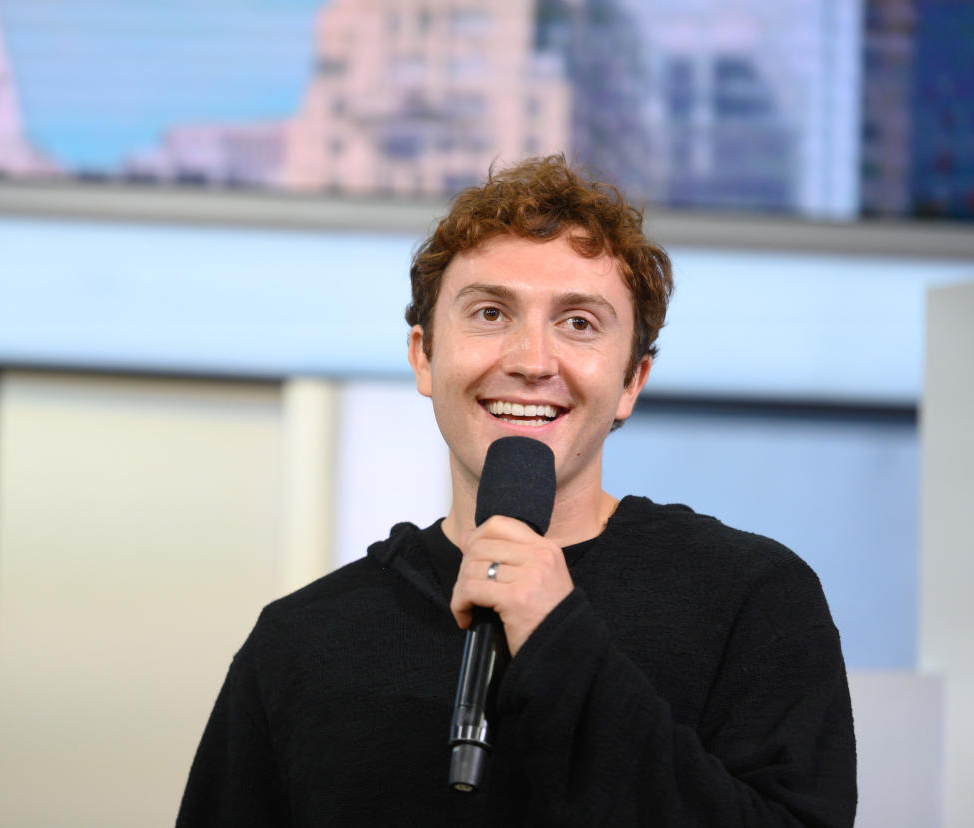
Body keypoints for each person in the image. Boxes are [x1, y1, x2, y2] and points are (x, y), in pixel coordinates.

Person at [176, 155, 857, 826]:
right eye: (491, 314)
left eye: (579, 323)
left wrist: (559, 640)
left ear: (630, 382)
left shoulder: (751, 599)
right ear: (423, 355)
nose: (531, 361)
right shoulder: (302, 641)